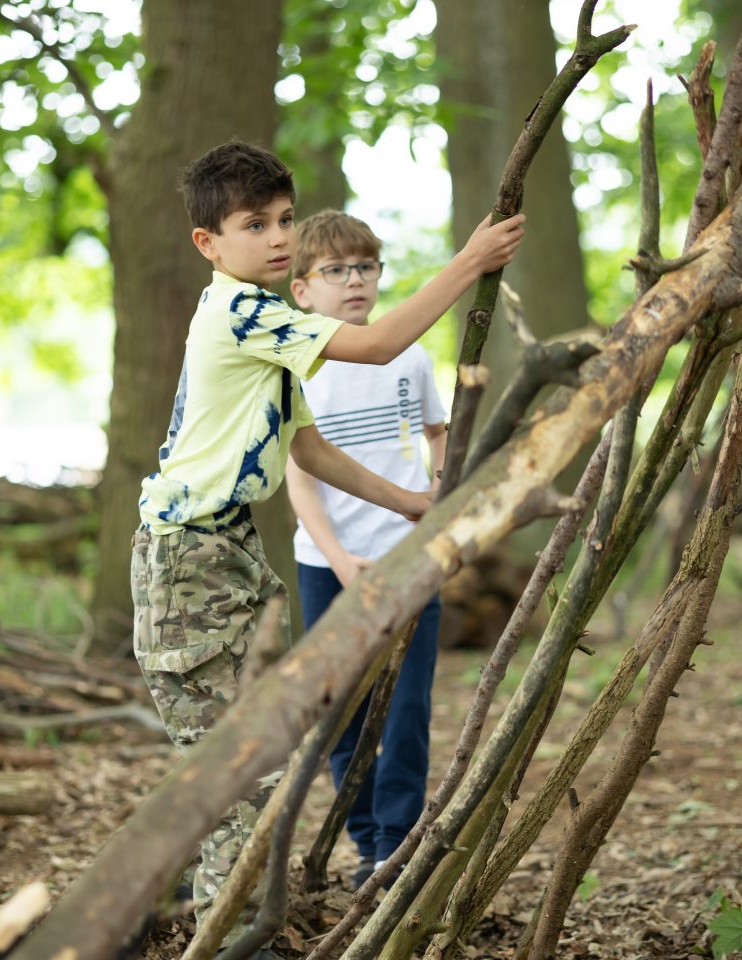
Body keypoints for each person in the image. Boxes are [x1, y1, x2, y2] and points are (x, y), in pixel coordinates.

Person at [131, 140, 523, 954]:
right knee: (234, 779)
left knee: (242, 769)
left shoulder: (265, 328)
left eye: (282, 219)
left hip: (223, 555)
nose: (277, 237)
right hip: (187, 561)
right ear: (209, 243)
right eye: (253, 224)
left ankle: (230, 930)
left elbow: (309, 451)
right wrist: (469, 261)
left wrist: (415, 500)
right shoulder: (243, 312)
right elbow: (378, 346)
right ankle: (228, 943)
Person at [285, 210, 445, 891]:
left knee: (407, 708)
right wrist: (340, 558)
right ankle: (363, 840)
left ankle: (396, 847)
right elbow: (298, 475)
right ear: (301, 290)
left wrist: (438, 494)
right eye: (336, 271)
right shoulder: (300, 364)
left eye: (365, 267)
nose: (354, 281)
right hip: (329, 565)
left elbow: (437, 432)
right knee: (345, 712)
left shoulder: (408, 355)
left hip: (410, 556)